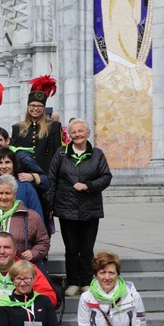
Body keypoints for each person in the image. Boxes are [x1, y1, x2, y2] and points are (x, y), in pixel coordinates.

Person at [46, 118, 112, 296]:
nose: (77, 135)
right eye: (73, 132)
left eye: (80, 131)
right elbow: (52, 179)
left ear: (88, 133)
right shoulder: (61, 153)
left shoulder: (97, 154)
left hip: (90, 209)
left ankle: (86, 281)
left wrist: (88, 185)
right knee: (71, 249)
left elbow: (106, 177)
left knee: (87, 249)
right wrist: (50, 205)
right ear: (69, 135)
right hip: (66, 208)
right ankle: (73, 282)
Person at [0, 174, 50, 264]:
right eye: (0, 193)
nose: (4, 197)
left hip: (21, 268)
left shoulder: (31, 216)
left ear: (15, 194)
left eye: (8, 193)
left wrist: (33, 253)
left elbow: (44, 242)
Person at [11, 75, 63, 174]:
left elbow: (58, 152)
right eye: (33, 105)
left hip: (47, 173)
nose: (36, 108)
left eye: (39, 106)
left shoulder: (53, 126)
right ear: (28, 107)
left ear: (44, 108)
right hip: (24, 173)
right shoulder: (17, 128)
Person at [0, 148, 46, 224]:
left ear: (14, 164)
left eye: (7, 162)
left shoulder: (26, 187)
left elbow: (37, 216)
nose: (3, 166)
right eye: (0, 163)